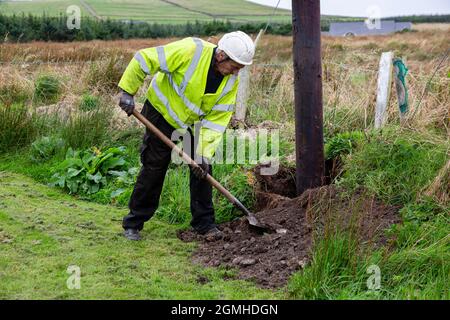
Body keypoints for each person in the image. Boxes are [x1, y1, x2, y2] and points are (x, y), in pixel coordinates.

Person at [117, 31, 255, 241]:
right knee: (155, 166)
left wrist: (203, 153)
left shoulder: (229, 80)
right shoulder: (191, 50)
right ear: (221, 56)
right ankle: (134, 222)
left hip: (193, 122)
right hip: (162, 113)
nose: (236, 72)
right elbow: (144, 58)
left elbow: (217, 119)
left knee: (202, 170)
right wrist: (127, 91)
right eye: (235, 66)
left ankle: (205, 224)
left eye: (240, 69)